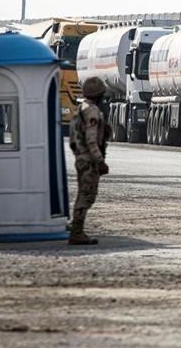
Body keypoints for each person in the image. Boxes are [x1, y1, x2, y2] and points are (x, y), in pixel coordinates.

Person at [68, 77, 110, 245]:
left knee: (83, 194)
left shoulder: (81, 109)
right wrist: (99, 160)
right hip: (88, 160)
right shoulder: (91, 111)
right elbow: (91, 139)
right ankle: (76, 232)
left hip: (81, 158)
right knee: (86, 196)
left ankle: (77, 230)